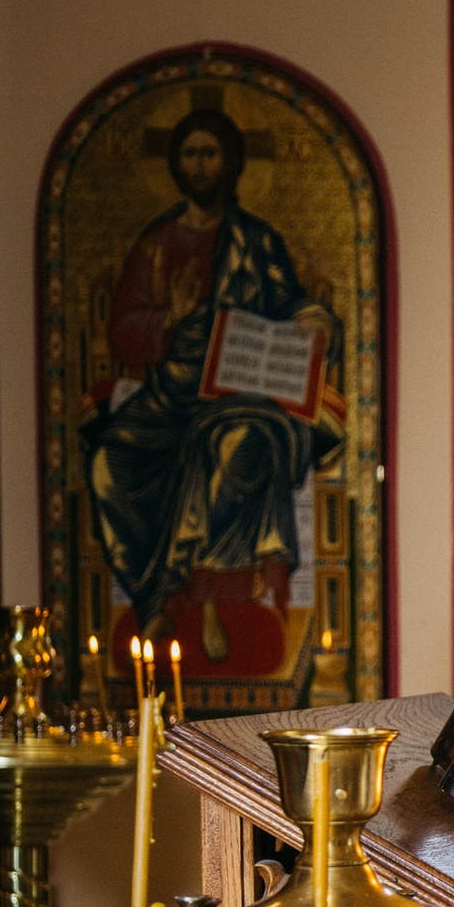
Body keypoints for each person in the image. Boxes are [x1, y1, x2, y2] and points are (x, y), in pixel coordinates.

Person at [81, 107, 342, 663]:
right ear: (177, 164)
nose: (201, 166)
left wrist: (313, 319)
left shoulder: (256, 242)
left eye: (211, 154)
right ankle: (153, 604)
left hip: (240, 394)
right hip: (170, 397)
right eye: (191, 154)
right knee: (107, 465)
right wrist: (167, 319)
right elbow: (124, 334)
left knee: (238, 448)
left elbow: (291, 304)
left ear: (232, 163)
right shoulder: (155, 245)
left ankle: (207, 604)